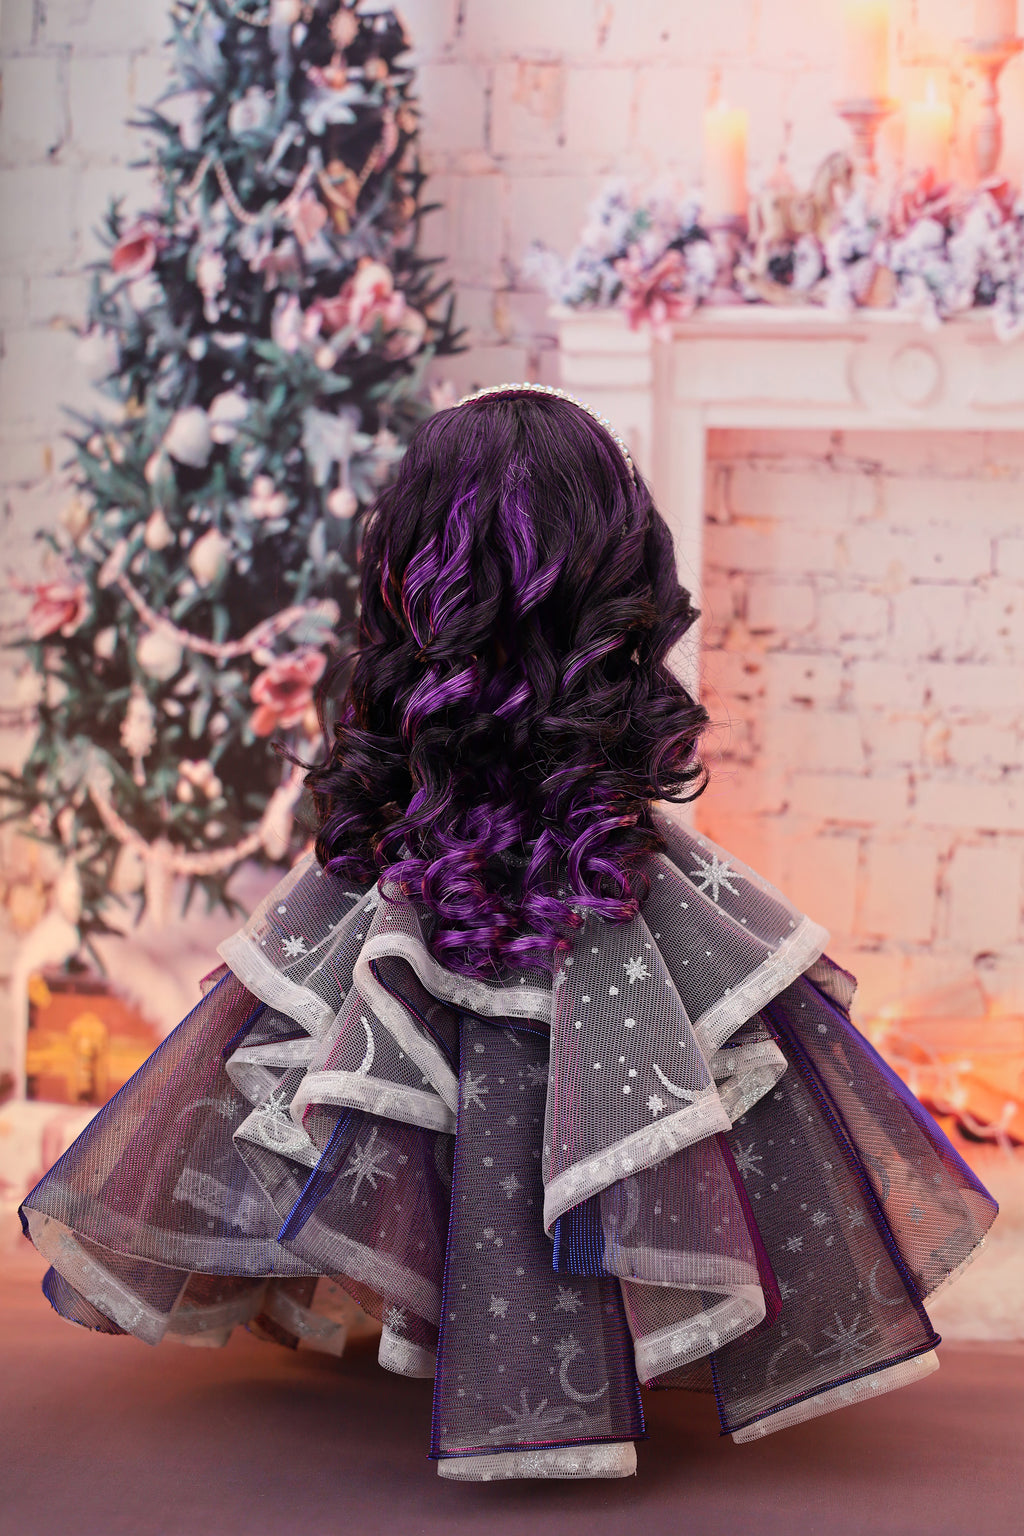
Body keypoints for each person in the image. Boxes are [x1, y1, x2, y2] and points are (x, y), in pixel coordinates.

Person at [19, 384, 997, 1481]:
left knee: (376, 1059)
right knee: (629, 1074)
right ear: (618, 561)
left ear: (411, 562)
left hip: (511, 856)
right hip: (567, 866)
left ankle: (475, 1313)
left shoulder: (424, 715)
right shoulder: (572, 703)